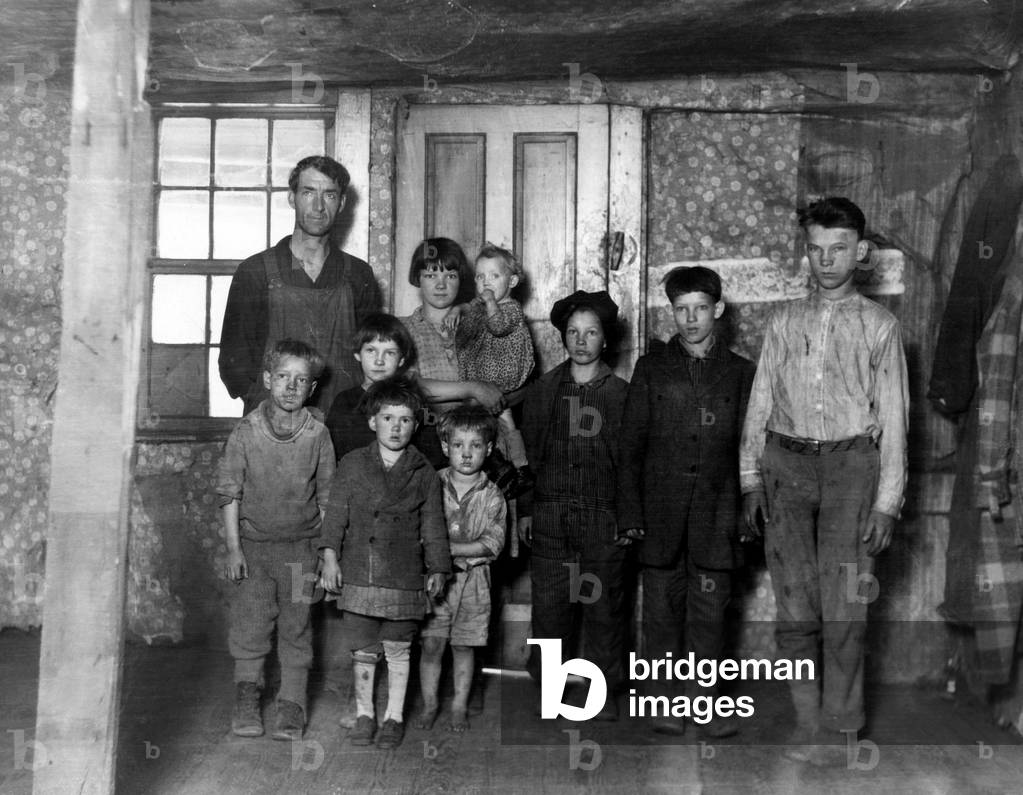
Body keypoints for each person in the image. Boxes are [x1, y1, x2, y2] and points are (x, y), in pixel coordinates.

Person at [739, 196, 909, 764]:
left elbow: (895, 420)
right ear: (806, 254)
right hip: (785, 468)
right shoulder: (783, 321)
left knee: (846, 606)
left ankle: (842, 729)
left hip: (852, 471)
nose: (826, 261)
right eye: (816, 250)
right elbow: (760, 402)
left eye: (839, 250)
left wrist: (887, 503)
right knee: (796, 606)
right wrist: (750, 480)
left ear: (860, 254)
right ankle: (807, 722)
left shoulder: (881, 326)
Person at [617, 267, 755, 737]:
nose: (691, 318)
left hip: (718, 516)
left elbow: (750, 450)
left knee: (710, 616)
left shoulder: (741, 372)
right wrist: (631, 513)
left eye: (700, 308)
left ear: (717, 310)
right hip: (659, 518)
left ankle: (706, 706)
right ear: (671, 312)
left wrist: (745, 511)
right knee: (661, 614)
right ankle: (663, 703)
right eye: (681, 309)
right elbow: (630, 445)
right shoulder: (651, 368)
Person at [319, 380, 451, 750]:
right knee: (362, 647)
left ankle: (393, 718)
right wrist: (329, 556)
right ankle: (365, 715)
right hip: (360, 569)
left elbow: (433, 524)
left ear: (416, 425)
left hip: (404, 573)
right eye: (388, 417)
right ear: (373, 421)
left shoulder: (423, 471)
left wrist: (438, 566)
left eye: (405, 419)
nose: (396, 427)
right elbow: (335, 516)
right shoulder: (352, 463)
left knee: (397, 647)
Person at [215, 339, 336, 741]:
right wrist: (234, 549)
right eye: (282, 376)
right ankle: (247, 697)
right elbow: (229, 494)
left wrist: (326, 555)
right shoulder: (246, 431)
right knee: (251, 626)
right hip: (254, 551)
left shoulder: (318, 434)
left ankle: (292, 703)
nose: (290, 386)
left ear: (312, 388)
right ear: (267, 379)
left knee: (297, 627)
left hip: (301, 552)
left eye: (301, 380)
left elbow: (326, 500)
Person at [519, 290, 630, 721]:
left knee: (604, 608)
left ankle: (601, 693)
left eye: (591, 333)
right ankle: (551, 690)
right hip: (551, 516)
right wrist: (528, 508)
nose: (581, 341)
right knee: (550, 609)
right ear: (563, 337)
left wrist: (628, 518)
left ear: (606, 340)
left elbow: (631, 463)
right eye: (573, 332)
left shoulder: (622, 395)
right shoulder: (545, 391)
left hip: (603, 518)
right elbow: (527, 456)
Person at [219, 155, 381, 414]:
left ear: (342, 203)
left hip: (342, 423)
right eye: (308, 192)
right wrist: (263, 404)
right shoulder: (255, 272)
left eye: (329, 195)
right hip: (272, 422)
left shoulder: (358, 275)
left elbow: (375, 354)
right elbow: (233, 361)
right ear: (292, 197)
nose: (318, 206)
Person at [415, 405, 506, 732]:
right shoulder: (430, 485)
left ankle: (458, 706)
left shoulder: (493, 495)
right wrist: (438, 552)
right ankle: (429, 705)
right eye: (458, 445)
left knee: (464, 645)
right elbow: (419, 532)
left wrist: (448, 548)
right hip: (436, 582)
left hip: (475, 583)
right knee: (432, 644)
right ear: (445, 447)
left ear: (489, 449)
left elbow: (492, 544)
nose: (466, 454)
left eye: (476, 445)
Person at [446, 244, 536, 482]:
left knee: (505, 425)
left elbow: (497, 326)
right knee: (490, 427)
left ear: (513, 281)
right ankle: (503, 466)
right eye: (480, 276)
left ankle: (521, 466)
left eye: (494, 276)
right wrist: (457, 309)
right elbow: (470, 306)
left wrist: (490, 303)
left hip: (503, 379)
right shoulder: (481, 304)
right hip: (484, 382)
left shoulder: (512, 309)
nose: (486, 282)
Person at [324, 312, 418, 460]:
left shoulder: (411, 400)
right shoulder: (344, 401)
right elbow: (331, 454)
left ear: (401, 360)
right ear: (357, 354)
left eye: (389, 353)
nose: (379, 361)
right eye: (371, 350)